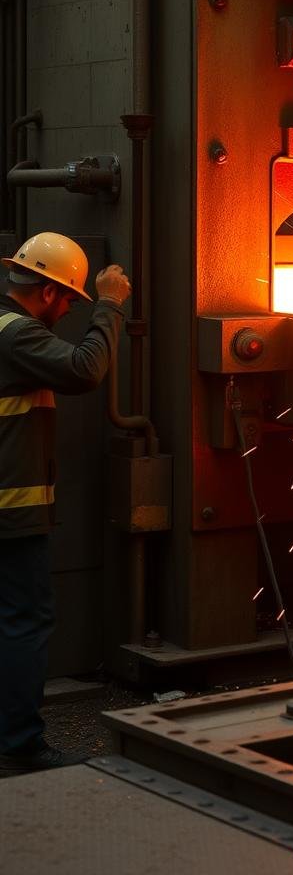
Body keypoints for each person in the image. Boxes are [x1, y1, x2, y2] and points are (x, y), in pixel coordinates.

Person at [0, 232, 131, 773]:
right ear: (51, 293)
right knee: (25, 622)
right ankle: (20, 747)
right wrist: (109, 306)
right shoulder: (18, 334)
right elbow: (84, 369)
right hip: (10, 513)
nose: (69, 310)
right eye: (70, 301)